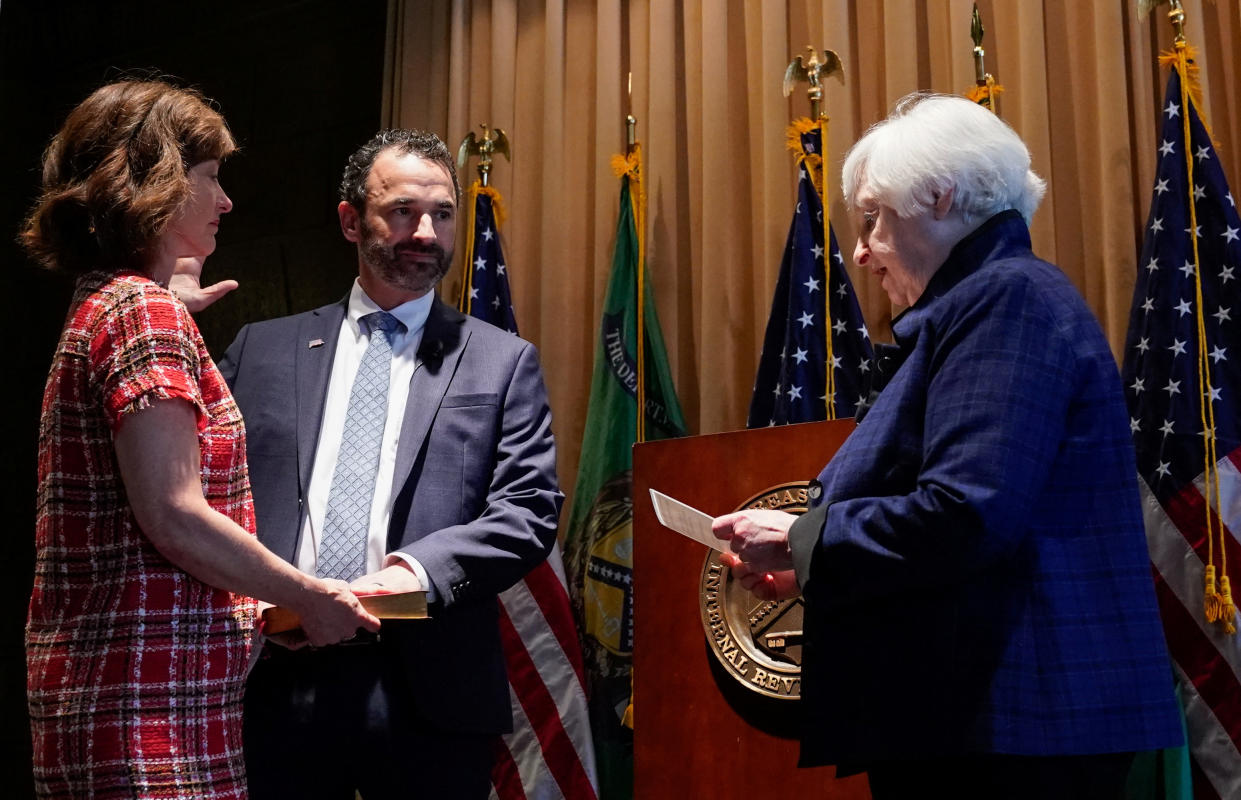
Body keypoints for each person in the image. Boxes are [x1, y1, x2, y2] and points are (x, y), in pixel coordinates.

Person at [712, 93, 1184, 798]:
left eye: (872, 215)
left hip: (1012, 727)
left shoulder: (1007, 299)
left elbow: (966, 513)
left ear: (939, 196)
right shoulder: (992, 300)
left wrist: (805, 538)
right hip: (993, 722)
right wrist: (814, 569)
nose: (859, 250)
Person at [21, 80, 378, 799]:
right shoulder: (141, 311)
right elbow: (175, 516)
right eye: (210, 177)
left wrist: (253, 610)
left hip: (140, 699)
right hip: (148, 714)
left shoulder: (112, 301)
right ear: (152, 178)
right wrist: (308, 595)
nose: (225, 201)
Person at [207, 129, 561, 799]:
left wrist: (403, 578)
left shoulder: (499, 360)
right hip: (273, 681)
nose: (425, 232)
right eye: (401, 211)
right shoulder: (260, 350)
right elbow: (194, 488)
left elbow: (527, 512)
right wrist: (167, 316)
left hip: (427, 694)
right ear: (350, 220)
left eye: (442, 214)